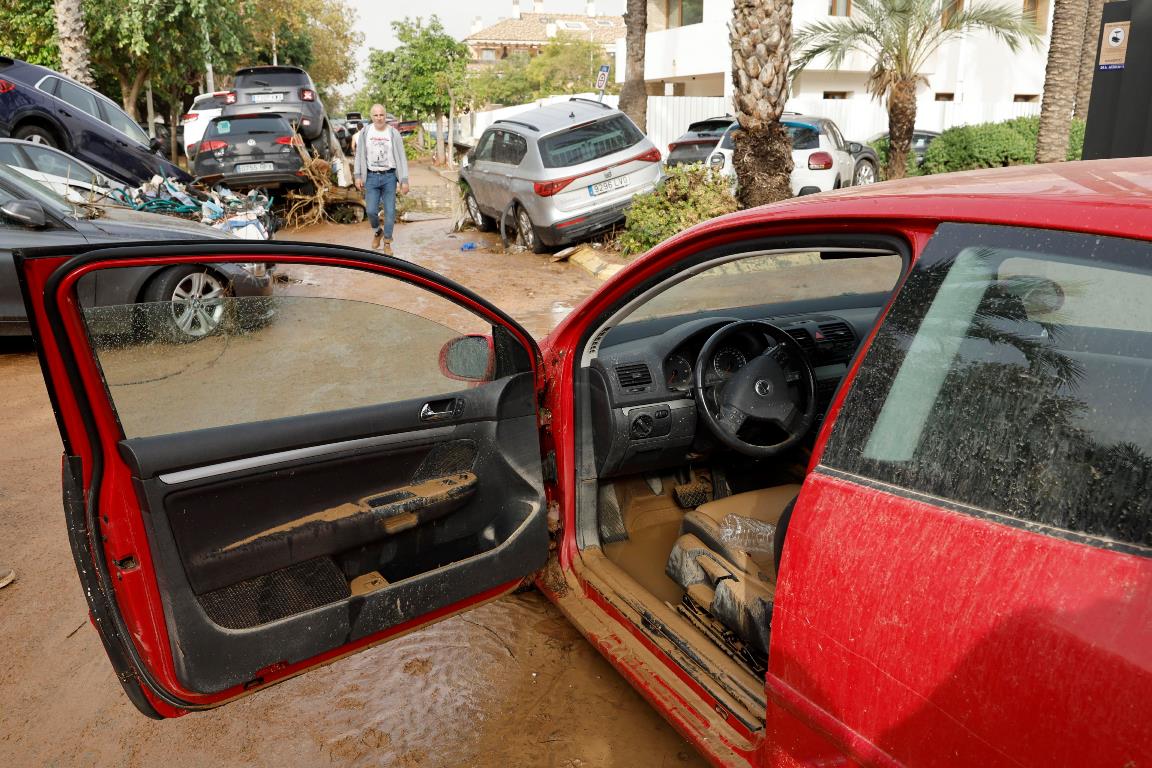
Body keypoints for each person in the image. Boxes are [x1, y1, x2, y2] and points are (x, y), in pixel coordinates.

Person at [353, 104, 409, 256]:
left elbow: (402, 157)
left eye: (381, 115)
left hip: (389, 177)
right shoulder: (365, 132)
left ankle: (387, 242)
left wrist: (404, 179)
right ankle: (378, 232)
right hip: (371, 177)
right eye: (376, 115)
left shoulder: (393, 133)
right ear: (371, 116)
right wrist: (357, 175)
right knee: (371, 211)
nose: (379, 118)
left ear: (386, 116)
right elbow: (359, 155)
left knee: (390, 212)